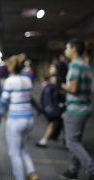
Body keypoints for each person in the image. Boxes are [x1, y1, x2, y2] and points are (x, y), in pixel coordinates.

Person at [60, 38, 94, 180]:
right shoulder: (86, 65)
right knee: (77, 140)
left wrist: (61, 86)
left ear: (73, 49)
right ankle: (73, 170)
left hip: (75, 109)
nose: (66, 51)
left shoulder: (75, 65)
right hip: (85, 107)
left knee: (71, 142)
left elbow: (73, 88)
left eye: (67, 48)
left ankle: (92, 169)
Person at [1, 55, 39, 180]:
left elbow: (4, 100)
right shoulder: (27, 79)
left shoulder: (10, 81)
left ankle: (20, 177)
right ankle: (31, 172)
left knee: (14, 152)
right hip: (29, 118)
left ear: (11, 67)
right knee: (22, 148)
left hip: (16, 119)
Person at [36, 63, 65, 148]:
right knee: (58, 123)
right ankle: (63, 139)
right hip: (50, 106)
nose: (50, 68)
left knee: (54, 123)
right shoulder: (51, 79)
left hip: (55, 106)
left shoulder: (58, 80)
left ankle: (44, 140)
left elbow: (60, 93)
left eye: (53, 67)